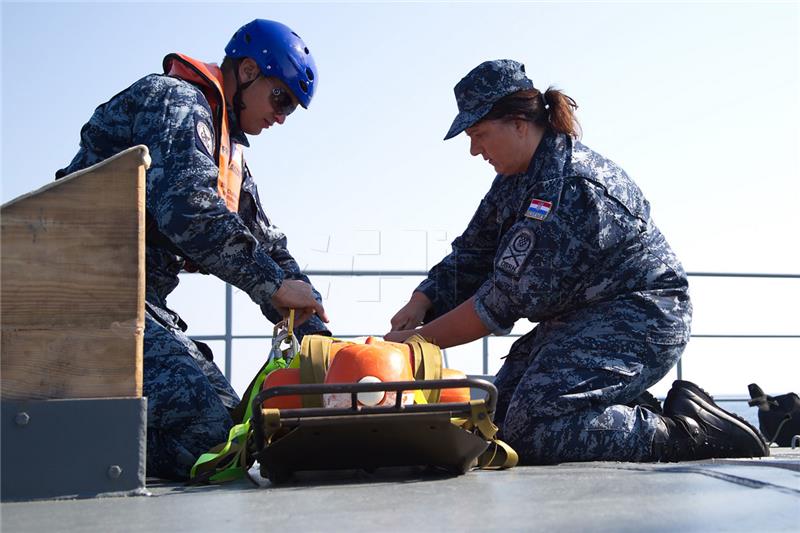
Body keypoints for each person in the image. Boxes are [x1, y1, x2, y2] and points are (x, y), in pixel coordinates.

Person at [385, 59, 768, 463]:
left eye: (479, 134)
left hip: (643, 316)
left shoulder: (567, 187)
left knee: (533, 431)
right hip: (582, 317)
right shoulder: (517, 178)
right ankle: (635, 410)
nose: (474, 149)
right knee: (496, 420)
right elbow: (473, 252)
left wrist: (416, 345)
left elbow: (501, 302)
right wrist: (421, 301)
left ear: (518, 123)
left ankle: (689, 432)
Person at [57, 19, 330, 479]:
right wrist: (272, 285)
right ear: (246, 72)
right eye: (280, 97)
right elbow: (189, 210)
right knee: (210, 440)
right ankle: (60, 451)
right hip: (84, 299)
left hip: (139, 306)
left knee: (231, 429)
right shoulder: (177, 103)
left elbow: (263, 237)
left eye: (292, 109)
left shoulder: (227, 149)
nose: (281, 116)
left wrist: (315, 326)